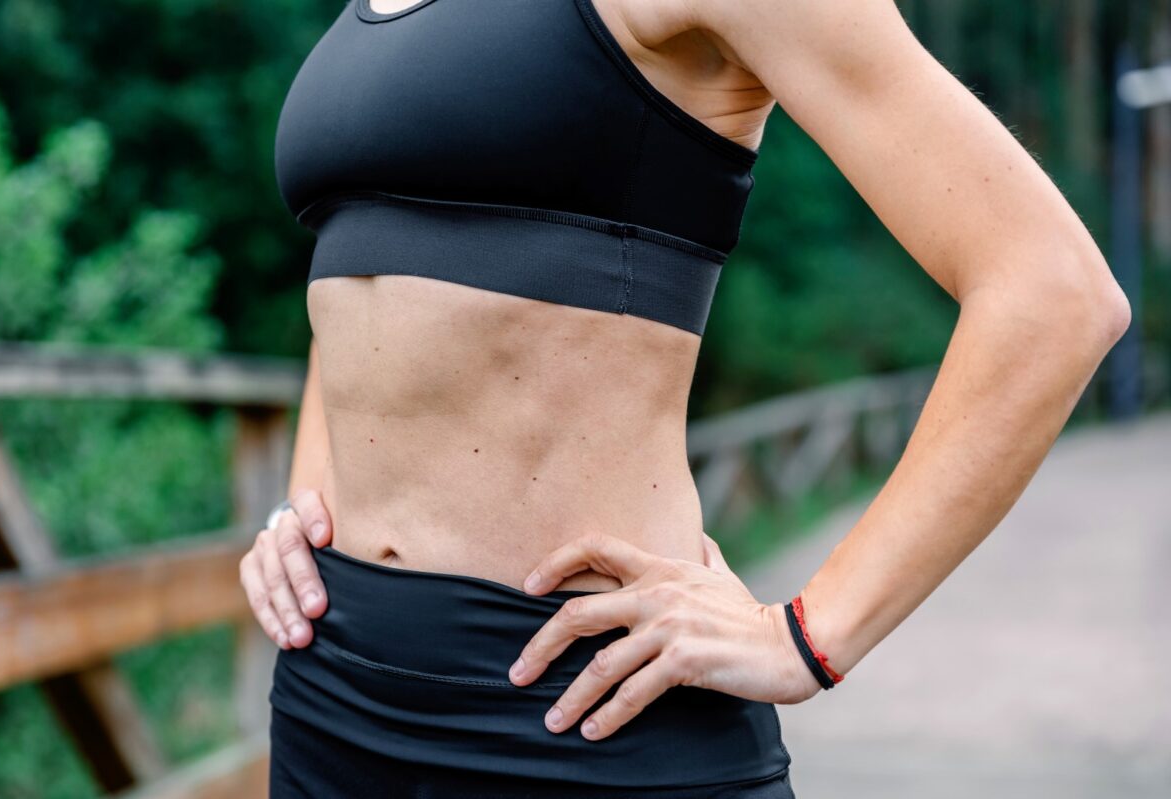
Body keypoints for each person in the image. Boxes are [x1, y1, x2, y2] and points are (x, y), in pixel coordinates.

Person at [239, 0, 1132, 795]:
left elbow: (1052, 293)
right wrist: (304, 499)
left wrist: (808, 636)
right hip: (331, 695)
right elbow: (362, 270)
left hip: (580, 707)